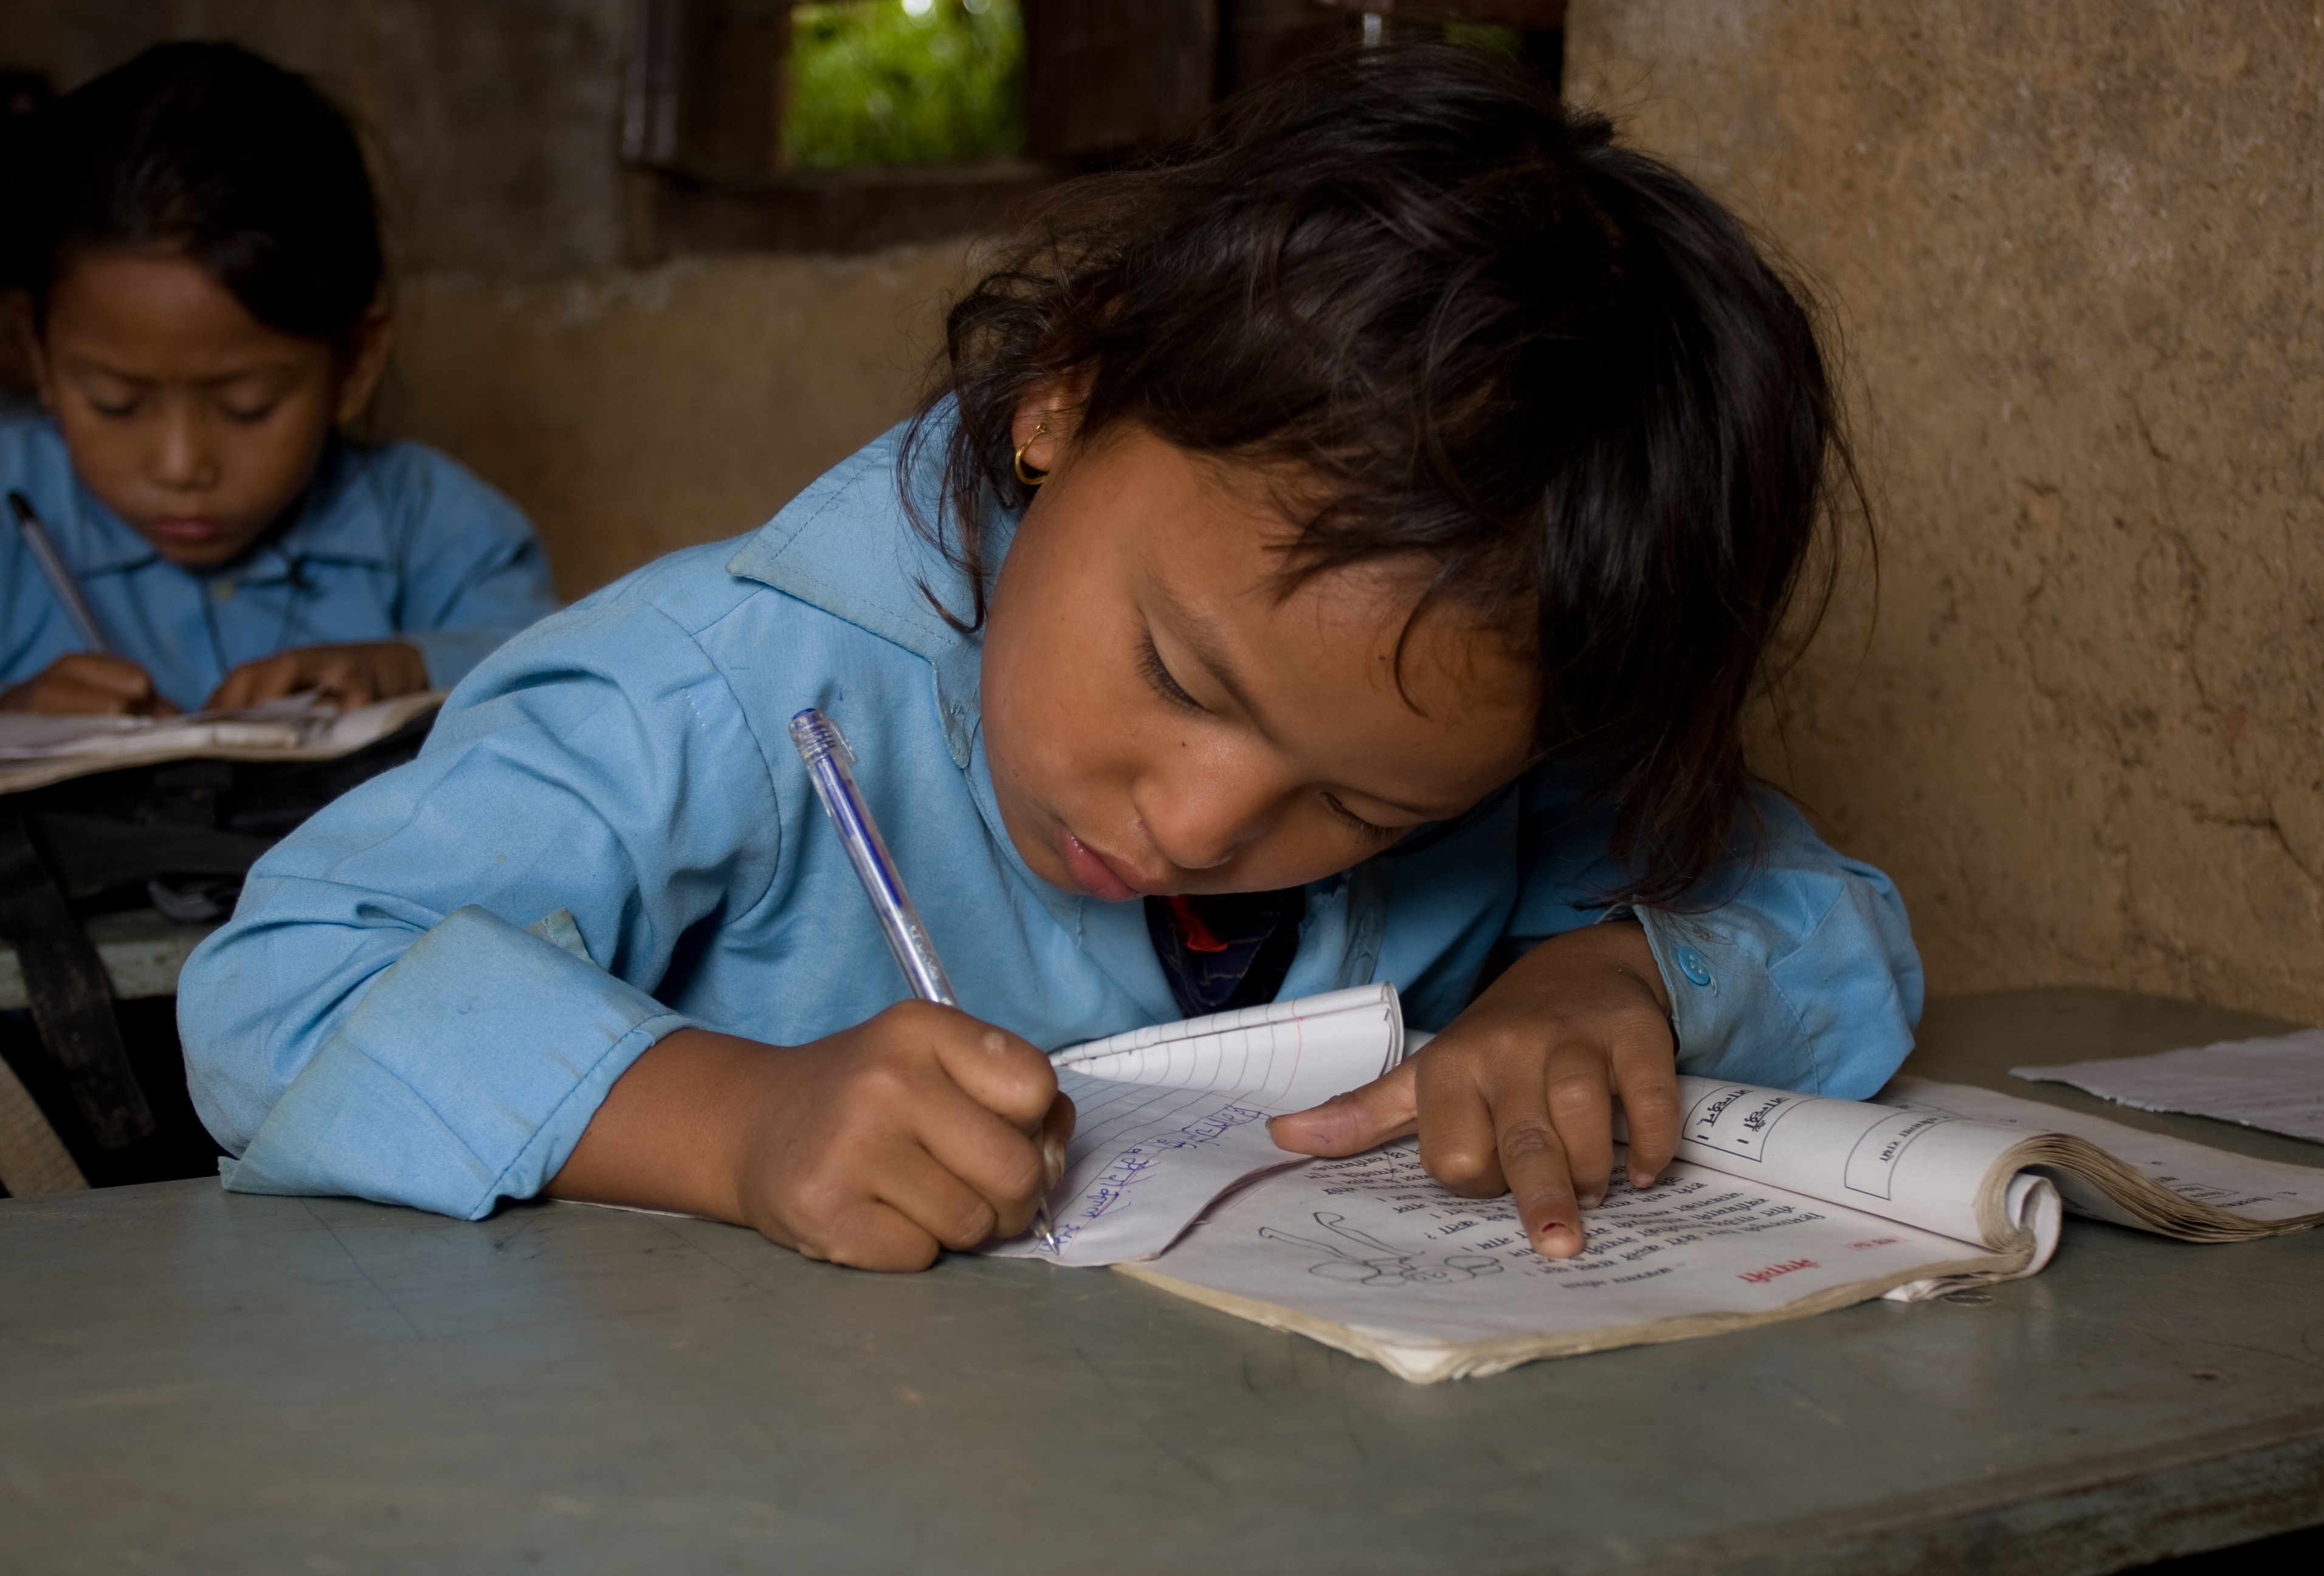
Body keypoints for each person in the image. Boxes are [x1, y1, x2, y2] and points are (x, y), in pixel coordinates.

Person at [179, 46, 1923, 1271]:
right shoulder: (725, 684)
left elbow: (1831, 926)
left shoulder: (1487, 717)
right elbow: (278, 988)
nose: (1197, 824)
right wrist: (731, 1126)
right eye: (1178, 675)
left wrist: (1603, 985)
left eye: (1362, 805)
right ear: (1063, 396)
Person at [0, 43, 554, 718]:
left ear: (354, 363)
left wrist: (409, 667)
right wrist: (15, 715)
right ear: (36, 352)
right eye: (116, 405)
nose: (181, 466)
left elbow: (565, 681)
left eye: (246, 408)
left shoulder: (433, 527)